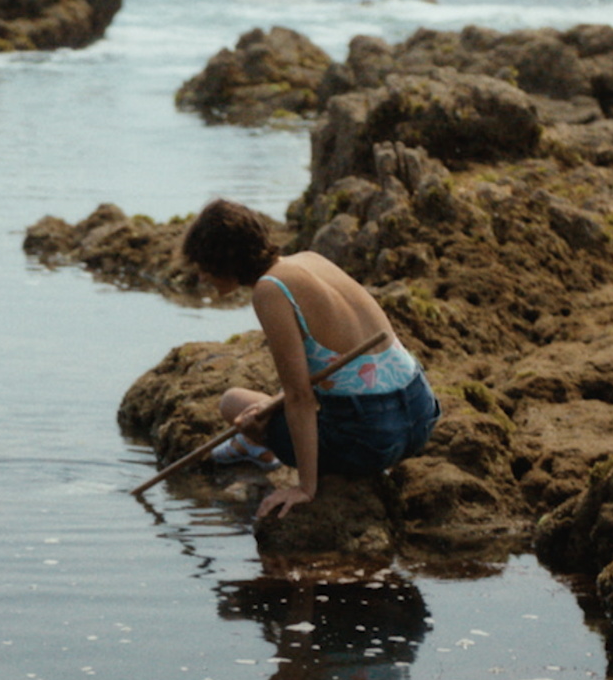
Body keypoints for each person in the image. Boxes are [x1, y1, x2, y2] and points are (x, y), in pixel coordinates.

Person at [179, 199, 440, 517]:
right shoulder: (309, 259)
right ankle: (256, 446)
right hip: (421, 414)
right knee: (257, 405)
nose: (202, 277)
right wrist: (270, 405)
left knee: (232, 402)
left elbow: (300, 397)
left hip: (374, 438)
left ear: (225, 259)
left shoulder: (269, 290)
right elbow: (340, 368)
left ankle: (256, 446)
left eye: (205, 266)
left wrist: (305, 487)